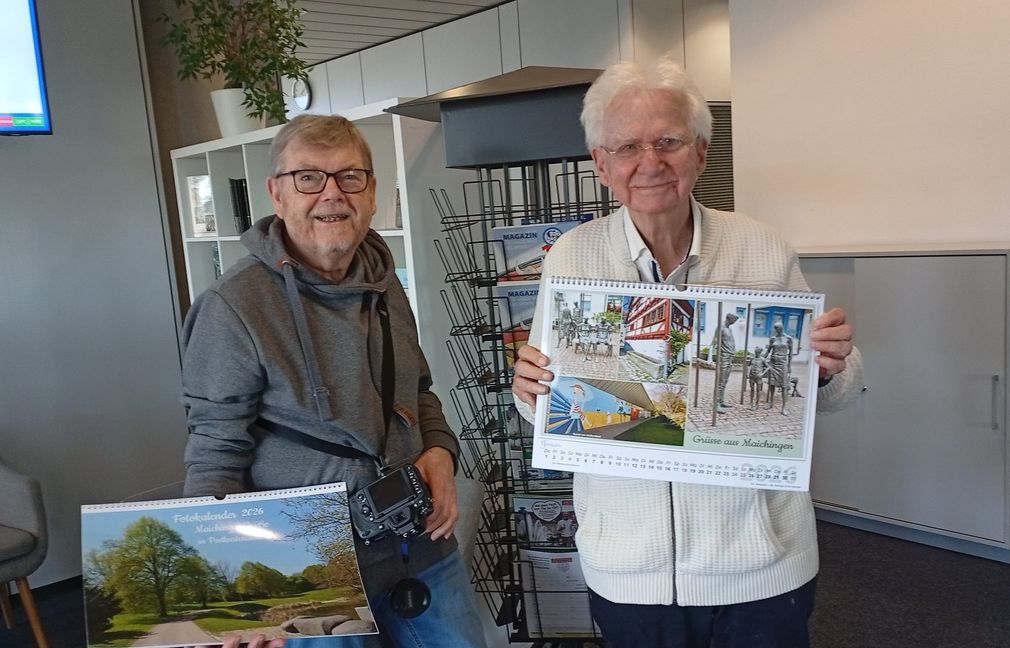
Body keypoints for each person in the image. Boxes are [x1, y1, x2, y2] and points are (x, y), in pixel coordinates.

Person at [511, 55, 863, 648]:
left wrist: (830, 365)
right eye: (626, 147)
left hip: (759, 565)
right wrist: (532, 392)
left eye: (668, 141)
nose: (650, 162)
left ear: (700, 151)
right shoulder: (572, 258)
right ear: (601, 164)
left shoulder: (761, 247)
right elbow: (552, 409)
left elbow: (838, 389)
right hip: (630, 569)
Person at [180, 114, 486, 648]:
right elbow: (215, 454)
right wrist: (225, 597)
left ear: (371, 194)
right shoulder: (231, 307)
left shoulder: (386, 283)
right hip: (318, 569)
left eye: (350, 177)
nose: (331, 194)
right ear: (277, 194)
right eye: (308, 178)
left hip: (422, 542)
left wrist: (439, 450)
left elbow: (418, 393)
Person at [766, 321, 796, 414]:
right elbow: (768, 351)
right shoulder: (772, 338)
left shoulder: (788, 338)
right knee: (771, 384)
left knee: (784, 386)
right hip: (773, 363)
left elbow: (790, 353)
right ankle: (771, 403)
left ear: (782, 328)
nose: (776, 330)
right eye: (775, 328)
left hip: (783, 363)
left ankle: (784, 407)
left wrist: (789, 365)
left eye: (778, 328)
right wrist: (760, 357)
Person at [715, 312, 739, 411]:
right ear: (730, 319)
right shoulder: (721, 328)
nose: (734, 322)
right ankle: (716, 404)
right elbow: (716, 343)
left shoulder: (729, 329)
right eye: (734, 320)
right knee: (720, 382)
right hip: (723, 358)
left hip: (729, 358)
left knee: (724, 381)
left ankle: (721, 401)